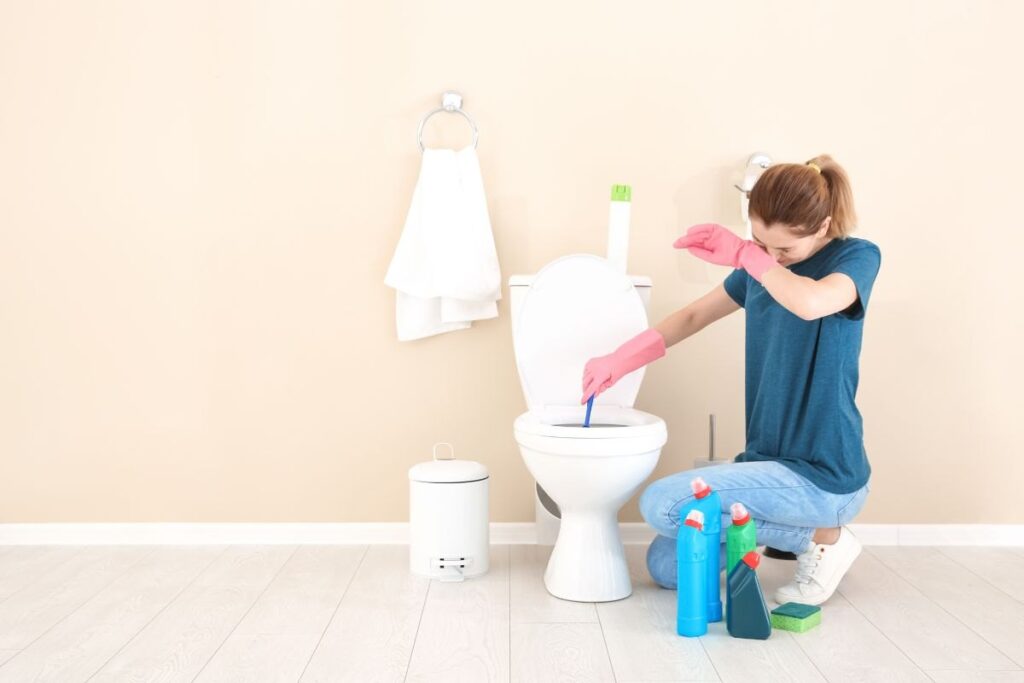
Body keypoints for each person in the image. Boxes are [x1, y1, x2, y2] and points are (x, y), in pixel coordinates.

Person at [580, 155, 881, 605]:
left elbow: (811, 303)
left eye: (785, 251)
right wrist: (619, 360)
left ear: (823, 227)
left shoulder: (855, 257)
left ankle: (826, 537)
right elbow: (693, 315)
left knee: (662, 505)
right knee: (667, 569)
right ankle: (791, 531)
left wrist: (747, 255)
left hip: (825, 475)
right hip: (767, 463)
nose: (770, 256)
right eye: (759, 241)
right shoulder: (759, 268)